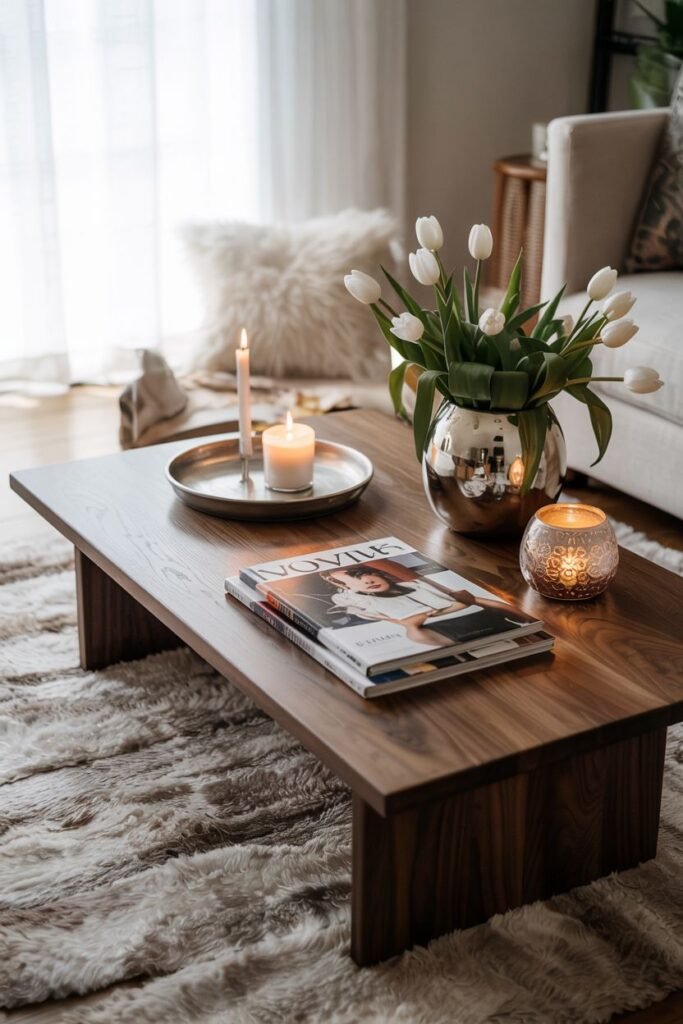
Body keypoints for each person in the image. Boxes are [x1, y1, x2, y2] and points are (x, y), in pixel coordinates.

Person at [320, 564, 532, 648]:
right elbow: (411, 628)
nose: (365, 581)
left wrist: (531, 622)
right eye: (353, 580)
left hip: (486, 618)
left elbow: (477, 601)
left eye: (362, 574)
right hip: (443, 631)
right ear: (346, 588)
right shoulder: (362, 603)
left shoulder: (416, 585)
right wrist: (417, 621)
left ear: (376, 572)